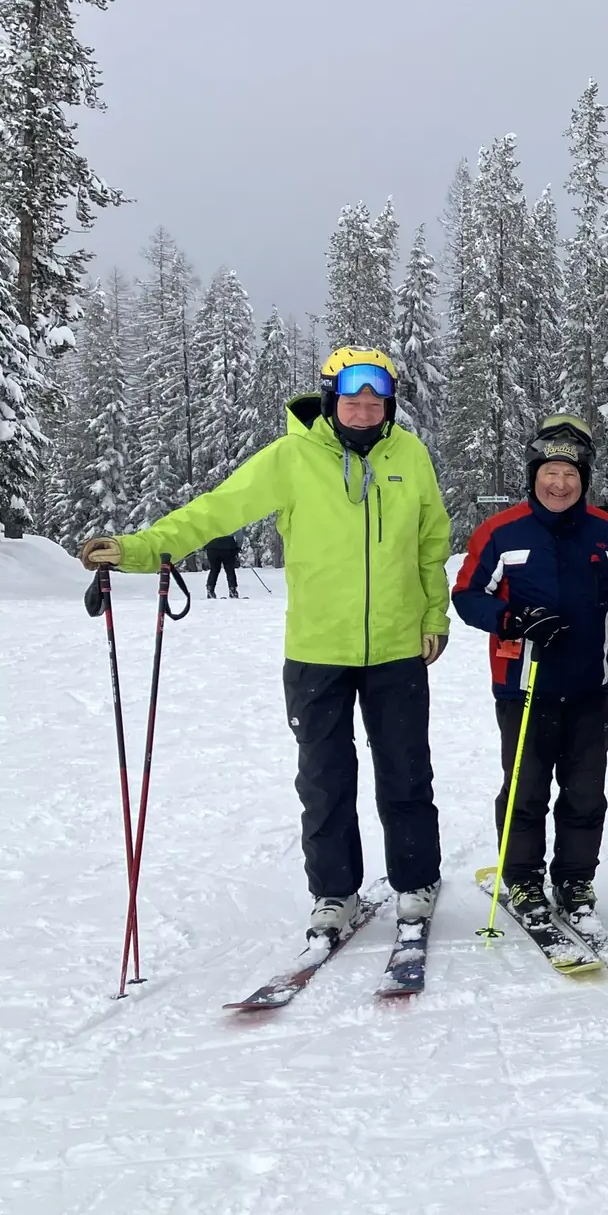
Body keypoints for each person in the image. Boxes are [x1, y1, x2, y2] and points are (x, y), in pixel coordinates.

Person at [77, 348, 450, 940]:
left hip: (398, 647)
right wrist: (141, 548)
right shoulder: (290, 457)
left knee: (406, 773)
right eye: (352, 401)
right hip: (316, 650)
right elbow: (216, 510)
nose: (363, 411)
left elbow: (432, 542)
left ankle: (416, 881)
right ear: (331, 402)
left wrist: (435, 615)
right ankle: (335, 894)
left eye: (375, 402)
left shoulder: (411, 455)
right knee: (324, 778)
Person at [452, 416, 608, 932]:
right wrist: (510, 618)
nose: (560, 483)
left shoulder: (604, 531)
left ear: (584, 480)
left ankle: (575, 878)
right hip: (524, 687)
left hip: (588, 688)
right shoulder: (502, 532)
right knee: (525, 789)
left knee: (585, 791)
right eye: (550, 472)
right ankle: (525, 878)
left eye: (571, 474)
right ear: (534, 475)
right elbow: (466, 596)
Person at [204, 532, 242, 598]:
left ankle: (210, 589)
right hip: (228, 546)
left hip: (212, 545)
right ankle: (232, 589)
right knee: (230, 569)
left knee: (214, 569)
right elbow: (239, 535)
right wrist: (238, 546)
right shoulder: (231, 521)